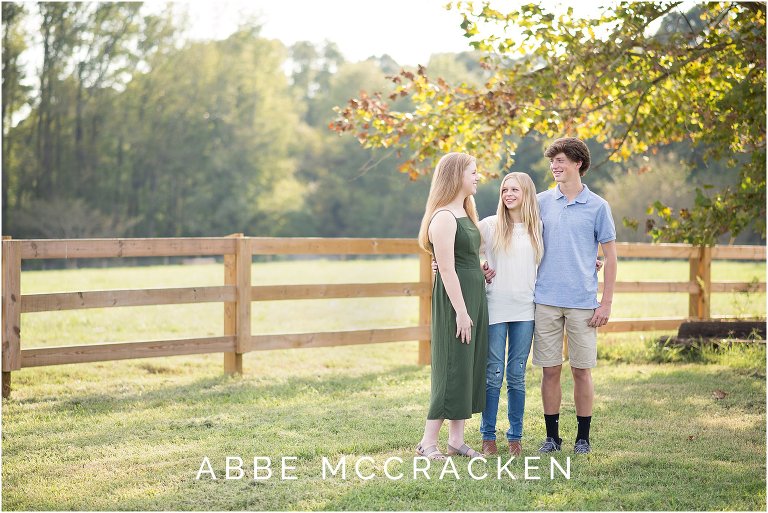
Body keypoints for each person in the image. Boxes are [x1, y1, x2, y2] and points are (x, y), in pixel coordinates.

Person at [532, 137, 617, 455]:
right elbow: (513, 234)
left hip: (583, 302)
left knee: (582, 370)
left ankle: (583, 437)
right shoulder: (540, 202)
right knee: (549, 369)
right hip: (545, 300)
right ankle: (552, 437)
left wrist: (605, 302)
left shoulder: (598, 207)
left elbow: (610, 257)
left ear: (578, 163)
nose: (555, 166)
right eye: (552, 161)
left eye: (561, 160)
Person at [415, 152, 488, 460]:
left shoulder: (465, 211)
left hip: (474, 294)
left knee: (468, 366)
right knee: (451, 367)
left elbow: (466, 258)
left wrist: (481, 271)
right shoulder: (443, 217)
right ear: (457, 175)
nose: (477, 177)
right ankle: (427, 443)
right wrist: (460, 311)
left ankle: (456, 440)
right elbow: (446, 269)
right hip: (456, 301)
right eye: (473, 172)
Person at [476, 172, 543, 457]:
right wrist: (481, 265)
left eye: (514, 189)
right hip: (495, 307)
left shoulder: (537, 227)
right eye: (505, 190)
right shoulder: (490, 226)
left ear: (526, 193)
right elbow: (467, 251)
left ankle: (515, 437)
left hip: (525, 309)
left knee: (516, 375)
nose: (508, 194)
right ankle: (487, 436)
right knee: (493, 374)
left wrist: (592, 262)